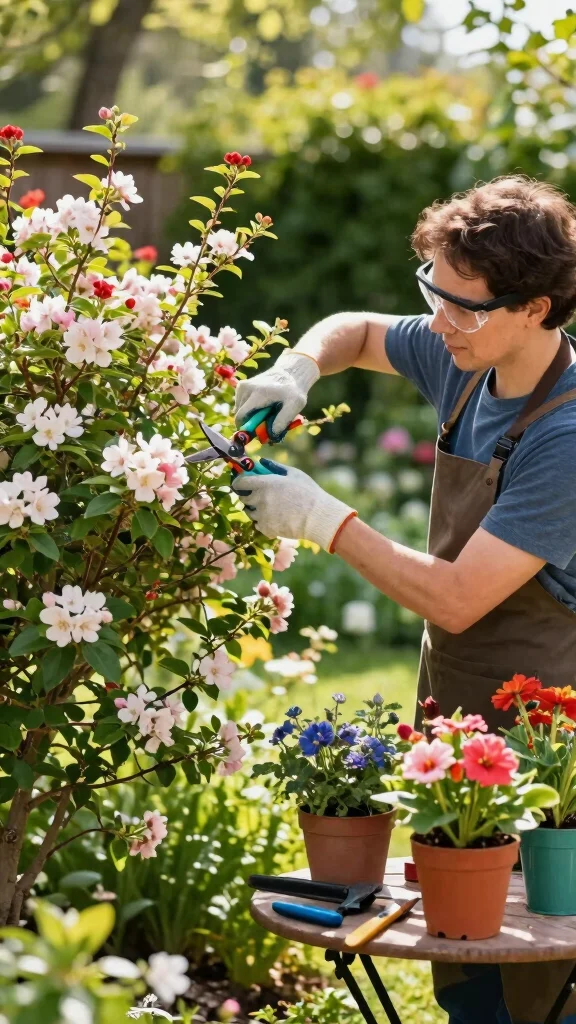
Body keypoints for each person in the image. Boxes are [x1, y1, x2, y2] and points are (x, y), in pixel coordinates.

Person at [231, 175, 576, 1024]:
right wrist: (297, 366)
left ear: (534, 309)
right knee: (463, 960)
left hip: (548, 741)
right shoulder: (467, 357)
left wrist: (322, 519)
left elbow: (457, 599)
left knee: (540, 969)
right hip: (459, 722)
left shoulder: (566, 438)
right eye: (432, 291)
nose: (437, 320)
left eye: (462, 306)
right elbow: (354, 331)